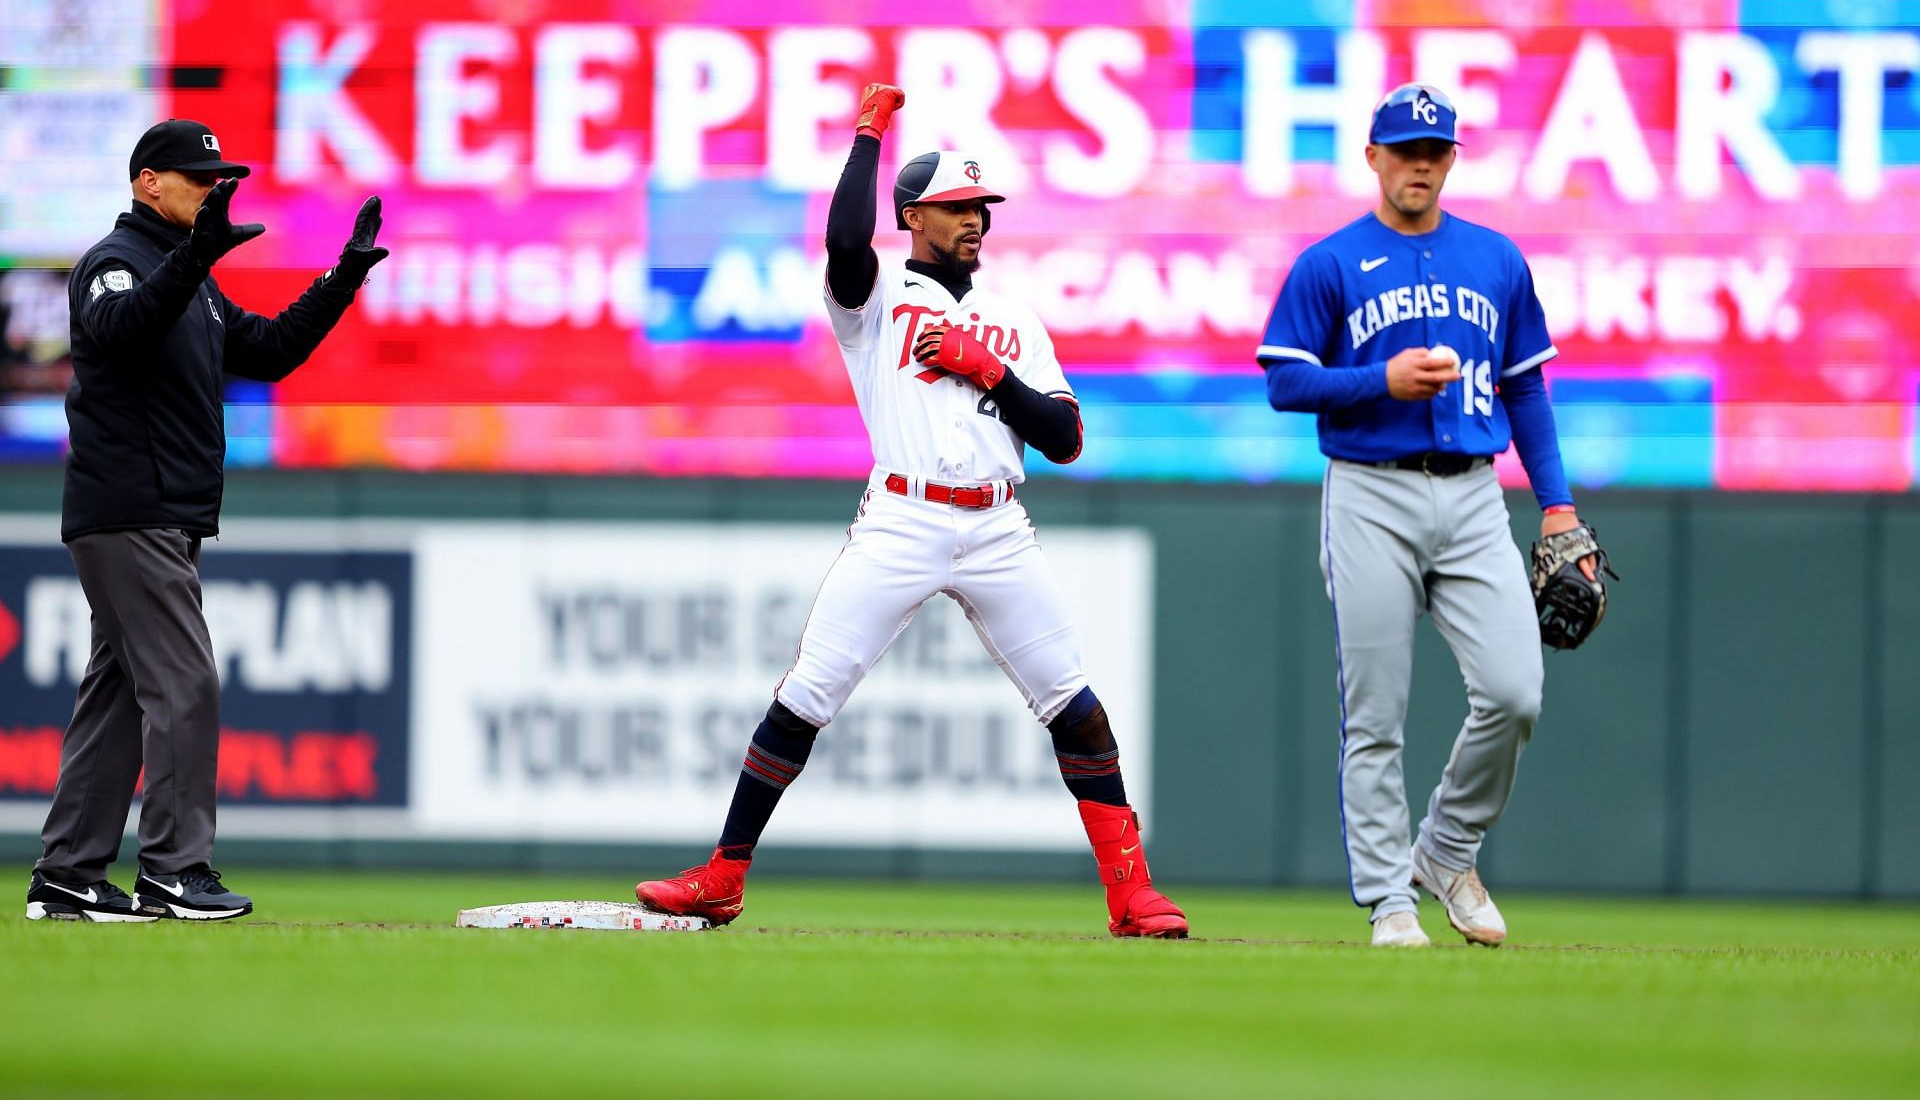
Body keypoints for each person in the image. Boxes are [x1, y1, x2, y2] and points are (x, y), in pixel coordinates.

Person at [635, 85, 1187, 939]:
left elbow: (1068, 437)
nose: (976, 220)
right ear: (915, 216)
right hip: (903, 516)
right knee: (808, 693)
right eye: (957, 207)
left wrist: (991, 371)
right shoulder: (876, 299)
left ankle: (1131, 894)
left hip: (999, 525)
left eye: (981, 207)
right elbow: (844, 239)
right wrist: (867, 134)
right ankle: (723, 876)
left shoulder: (1013, 319)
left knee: (1073, 702)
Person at [1256, 84, 1598, 948]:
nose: (1419, 162)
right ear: (1371, 156)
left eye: (1434, 149)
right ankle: (1390, 902)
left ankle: (1446, 847)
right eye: (1404, 147)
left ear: (1452, 159)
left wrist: (1556, 507)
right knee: (1377, 714)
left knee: (1516, 691)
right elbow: (1286, 380)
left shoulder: (1495, 259)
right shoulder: (1330, 263)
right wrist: (1381, 380)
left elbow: (1526, 387)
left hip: (1477, 494)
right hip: (1371, 490)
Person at [26, 119, 389, 922]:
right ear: (146, 182)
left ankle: (68, 876)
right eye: (197, 177)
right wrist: (197, 257)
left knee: (119, 695)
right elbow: (120, 328)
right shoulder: (114, 264)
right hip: (130, 510)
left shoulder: (185, 276)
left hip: (161, 513)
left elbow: (267, 350)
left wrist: (342, 278)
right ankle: (174, 872)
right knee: (185, 686)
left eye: (219, 178)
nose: (213, 189)